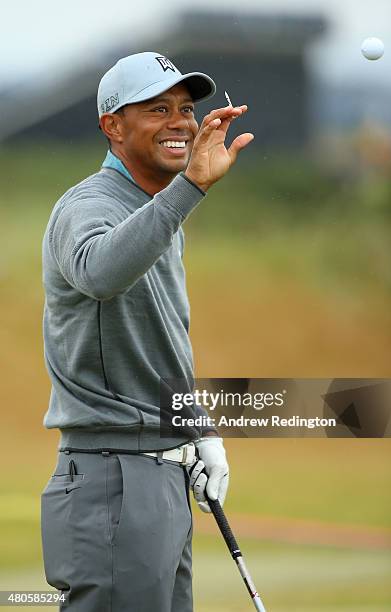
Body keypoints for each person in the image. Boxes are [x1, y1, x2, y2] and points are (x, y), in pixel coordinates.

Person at [40, 52, 253, 612]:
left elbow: (160, 338)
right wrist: (190, 189)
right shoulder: (89, 204)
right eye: (158, 108)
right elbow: (101, 272)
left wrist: (197, 429)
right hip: (113, 476)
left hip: (158, 472)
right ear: (113, 125)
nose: (180, 122)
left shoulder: (157, 208)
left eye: (185, 108)